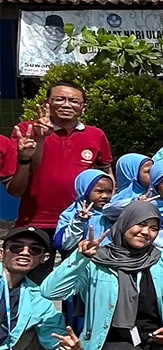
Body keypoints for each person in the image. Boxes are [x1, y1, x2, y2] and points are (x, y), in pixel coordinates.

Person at [40, 201, 163, 350]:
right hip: (113, 337)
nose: (146, 232)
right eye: (140, 224)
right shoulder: (96, 260)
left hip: (154, 337)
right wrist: (79, 258)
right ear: (124, 223)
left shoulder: (162, 259)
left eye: (154, 228)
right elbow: (51, 291)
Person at [8, 82, 114, 259]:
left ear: (83, 107)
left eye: (73, 101)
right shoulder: (26, 131)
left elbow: (106, 172)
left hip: (81, 221)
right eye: (59, 99)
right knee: (35, 279)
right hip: (36, 221)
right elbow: (15, 188)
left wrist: (108, 205)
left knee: (79, 279)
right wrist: (39, 139)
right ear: (47, 104)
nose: (66, 105)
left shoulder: (96, 135)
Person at [0, 228, 66, 350]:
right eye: (16, 247)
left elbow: (54, 336)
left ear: (44, 258)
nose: (25, 252)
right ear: (2, 253)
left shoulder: (35, 295)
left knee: (38, 332)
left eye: (34, 250)